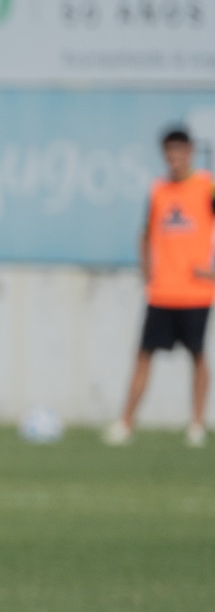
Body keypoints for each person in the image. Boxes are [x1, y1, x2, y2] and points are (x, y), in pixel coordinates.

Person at [105, 126, 215, 447]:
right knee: (144, 355)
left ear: (190, 152)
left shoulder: (206, 186)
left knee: (197, 356)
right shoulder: (158, 190)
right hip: (162, 291)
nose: (174, 157)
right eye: (169, 151)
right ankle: (126, 423)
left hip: (196, 292)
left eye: (179, 150)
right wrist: (147, 271)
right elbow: (145, 233)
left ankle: (196, 425)